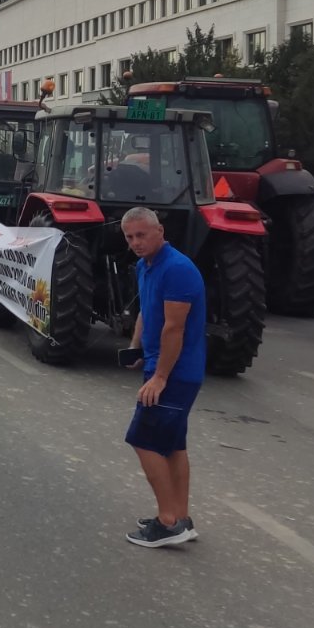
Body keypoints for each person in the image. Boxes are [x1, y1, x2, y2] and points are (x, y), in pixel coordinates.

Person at [121, 206, 206, 548]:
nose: (136, 243)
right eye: (129, 237)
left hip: (176, 373)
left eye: (141, 235)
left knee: (143, 440)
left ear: (159, 231)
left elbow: (175, 328)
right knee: (173, 445)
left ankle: (168, 522)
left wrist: (159, 377)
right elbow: (146, 309)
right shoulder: (146, 266)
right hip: (161, 365)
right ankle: (181, 516)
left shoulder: (178, 270)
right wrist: (135, 347)